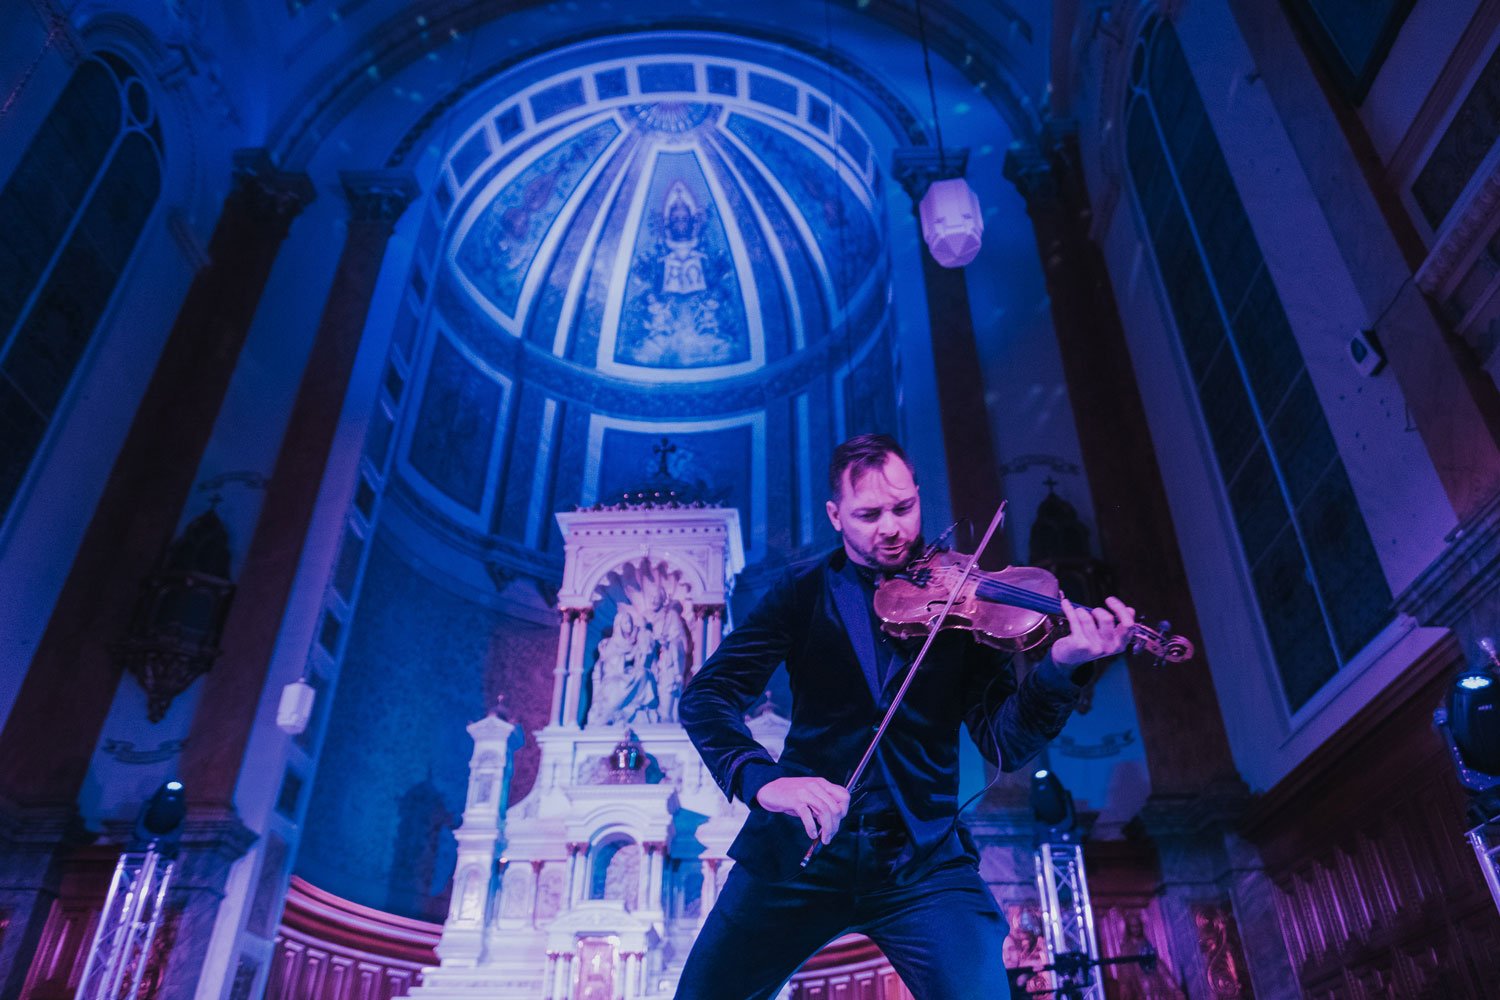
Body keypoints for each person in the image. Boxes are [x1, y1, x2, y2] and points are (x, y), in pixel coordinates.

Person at [675, 433, 1136, 1000]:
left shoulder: (969, 596)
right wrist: (763, 781)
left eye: (903, 507)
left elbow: (1006, 742)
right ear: (835, 516)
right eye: (869, 515)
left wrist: (1061, 669)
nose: (891, 528)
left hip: (921, 860)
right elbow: (705, 697)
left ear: (918, 494)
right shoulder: (800, 593)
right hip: (801, 849)